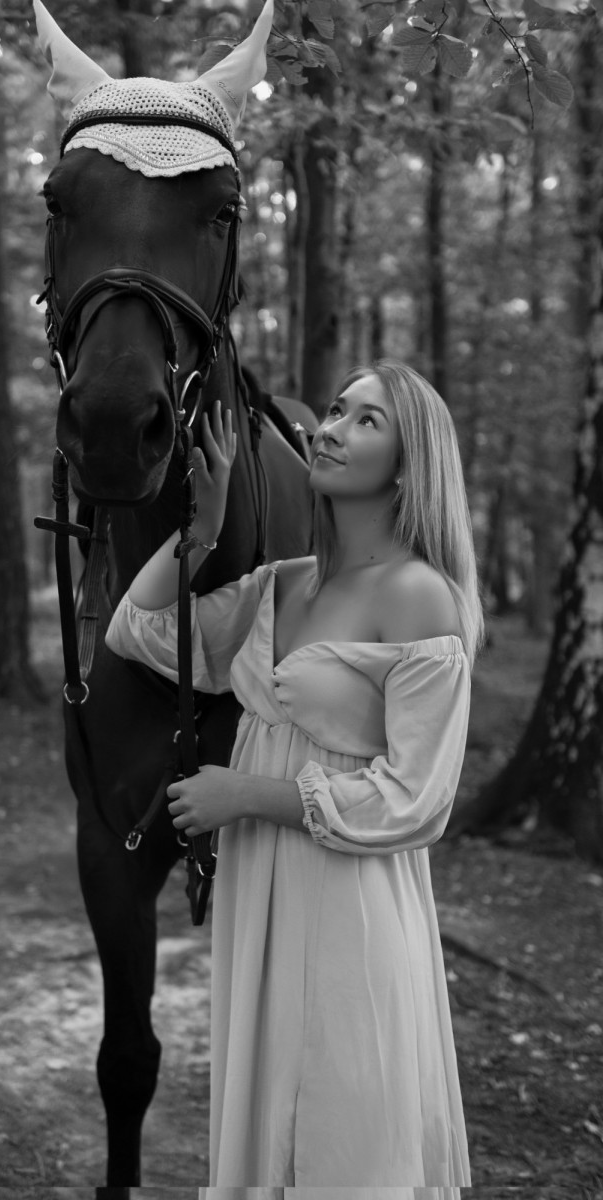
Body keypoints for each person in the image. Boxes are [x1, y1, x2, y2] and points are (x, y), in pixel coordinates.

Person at [104, 359, 484, 1199]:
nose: (332, 429)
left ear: (410, 464)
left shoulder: (420, 596)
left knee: (342, 1134)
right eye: (336, 410)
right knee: (270, 1129)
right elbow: (138, 631)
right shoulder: (282, 584)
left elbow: (418, 800)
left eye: (366, 420)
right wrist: (200, 530)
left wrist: (245, 794)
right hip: (261, 900)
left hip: (351, 909)